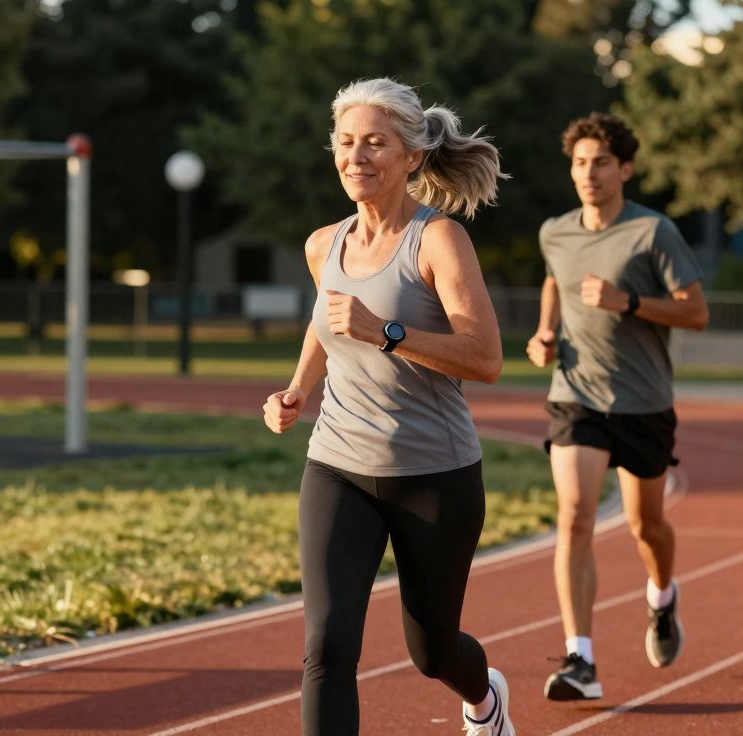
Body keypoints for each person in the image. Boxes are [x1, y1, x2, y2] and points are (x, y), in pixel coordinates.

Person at [262, 77, 513, 736]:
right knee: (328, 645)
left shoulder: (439, 241)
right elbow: (327, 321)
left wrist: (389, 332)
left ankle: (484, 700)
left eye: (375, 142)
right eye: (346, 142)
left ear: (413, 157)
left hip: (434, 474)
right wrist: (298, 389)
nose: (356, 156)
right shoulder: (326, 244)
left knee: (432, 652)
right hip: (338, 465)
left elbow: (486, 359)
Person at [527, 112, 709, 701]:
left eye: (601, 162)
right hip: (576, 393)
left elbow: (696, 312)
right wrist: (544, 333)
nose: (589, 173)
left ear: (625, 168)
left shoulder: (654, 233)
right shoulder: (555, 232)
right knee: (576, 515)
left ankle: (661, 596)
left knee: (644, 526)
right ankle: (580, 658)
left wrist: (626, 302)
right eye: (580, 163)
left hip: (644, 401)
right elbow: (555, 279)